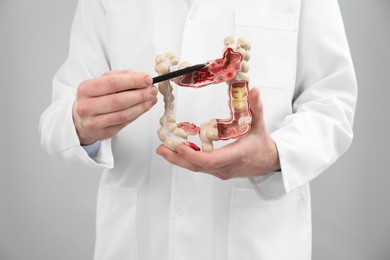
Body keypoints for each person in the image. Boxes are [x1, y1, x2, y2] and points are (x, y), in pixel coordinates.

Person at [39, 0, 357, 259]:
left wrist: (275, 155)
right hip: (139, 243)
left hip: (257, 242)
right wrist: (82, 125)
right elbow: (57, 118)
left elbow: (332, 101)